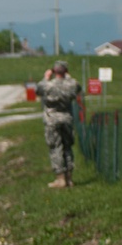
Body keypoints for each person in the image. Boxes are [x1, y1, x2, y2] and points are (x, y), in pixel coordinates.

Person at [35, 60, 84, 188]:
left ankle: (60, 178)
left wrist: (46, 77)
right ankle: (69, 178)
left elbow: (38, 89)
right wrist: (67, 76)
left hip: (52, 119)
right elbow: (77, 87)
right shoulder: (71, 85)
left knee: (55, 147)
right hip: (67, 118)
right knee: (67, 147)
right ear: (66, 71)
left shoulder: (48, 86)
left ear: (54, 71)